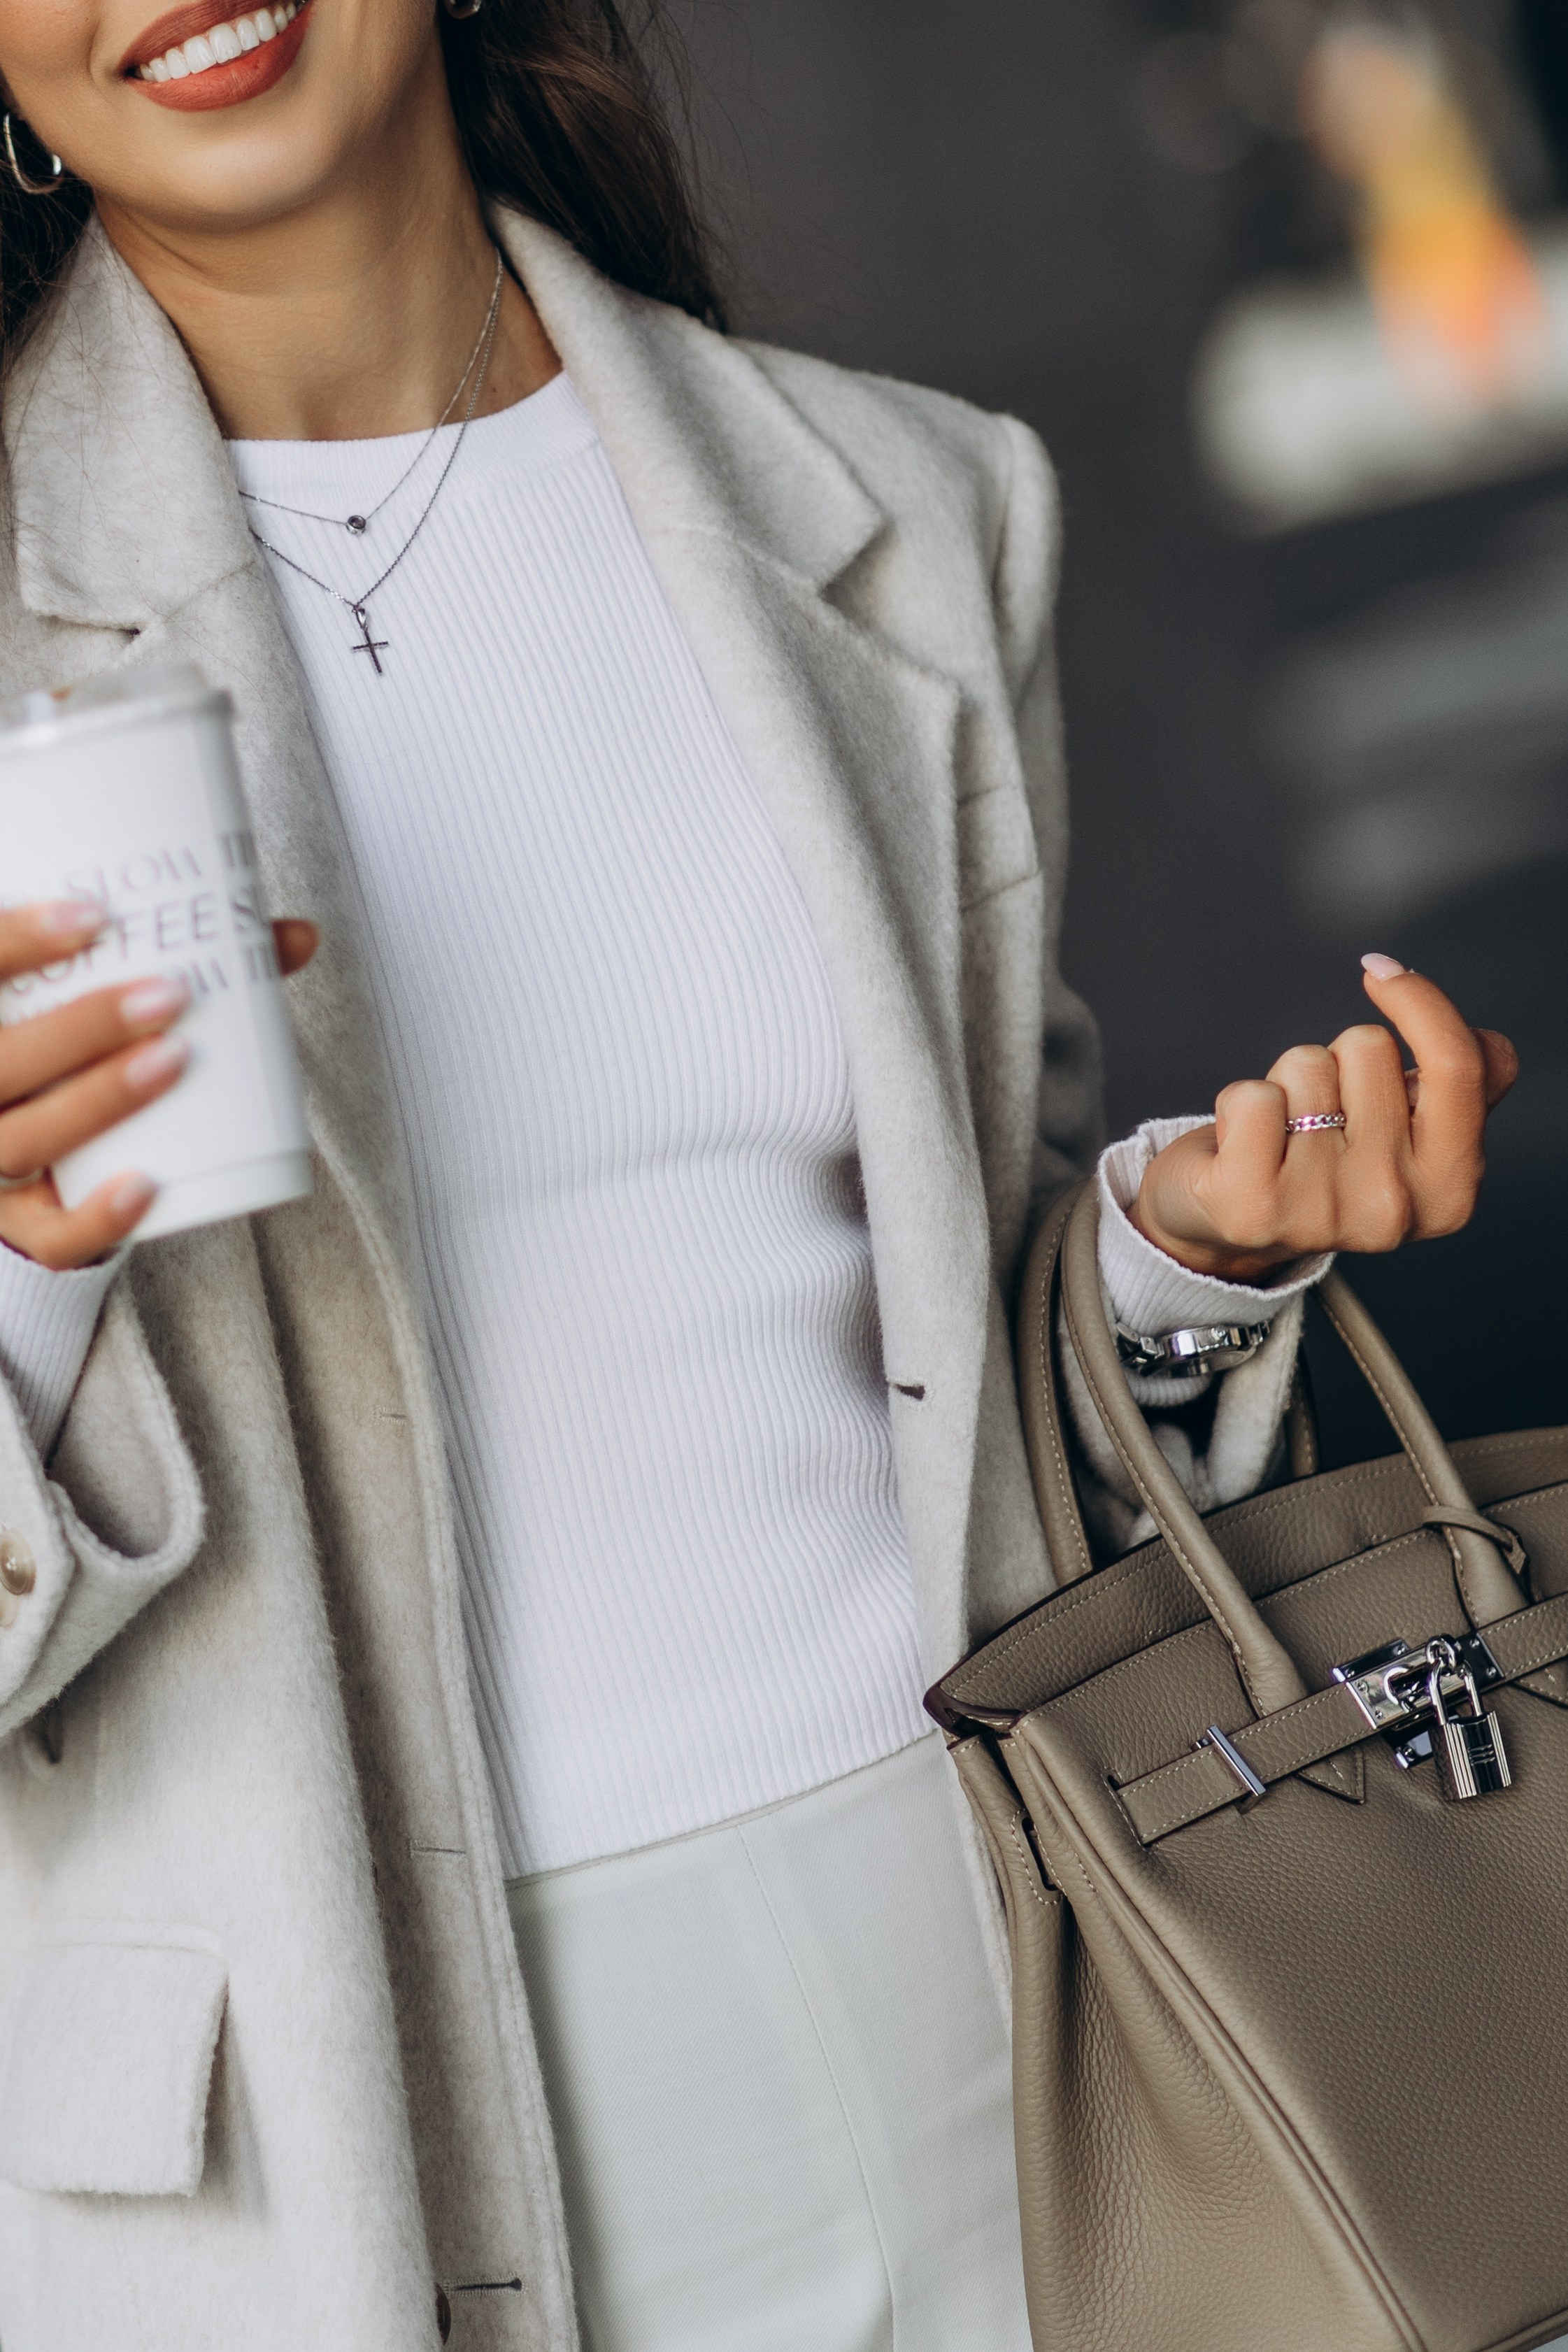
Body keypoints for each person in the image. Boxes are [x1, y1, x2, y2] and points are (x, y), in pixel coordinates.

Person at [0, 6, 1518, 2349]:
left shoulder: (902, 506)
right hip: (330, 2143)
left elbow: (957, 1334)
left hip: (1013, 1999)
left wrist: (1182, 1261)